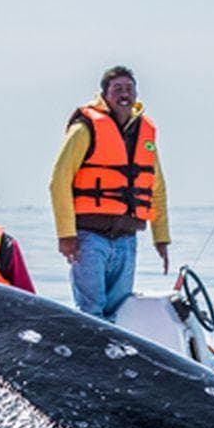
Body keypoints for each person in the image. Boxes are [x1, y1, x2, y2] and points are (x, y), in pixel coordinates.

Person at [48, 65, 170, 319]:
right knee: (91, 312)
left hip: (126, 239)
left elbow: (156, 188)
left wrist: (161, 237)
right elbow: (59, 180)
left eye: (129, 89)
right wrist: (66, 235)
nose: (124, 94)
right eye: (117, 89)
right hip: (89, 239)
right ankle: (89, 357)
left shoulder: (144, 133)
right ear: (105, 95)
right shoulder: (85, 129)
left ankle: (114, 358)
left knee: (119, 311)